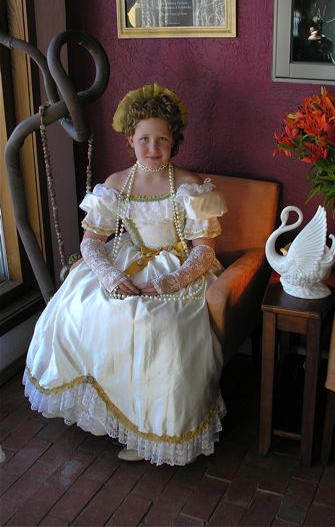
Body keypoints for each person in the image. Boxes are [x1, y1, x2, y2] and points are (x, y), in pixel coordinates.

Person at [23, 83, 228, 466]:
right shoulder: (117, 184)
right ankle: (107, 415)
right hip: (124, 260)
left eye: (162, 139)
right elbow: (91, 242)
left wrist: (169, 282)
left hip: (177, 263)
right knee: (80, 308)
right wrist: (107, 275)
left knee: (156, 326)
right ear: (130, 138)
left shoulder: (190, 186)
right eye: (144, 139)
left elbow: (204, 250)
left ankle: (150, 428)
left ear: (174, 140)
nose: (153, 148)